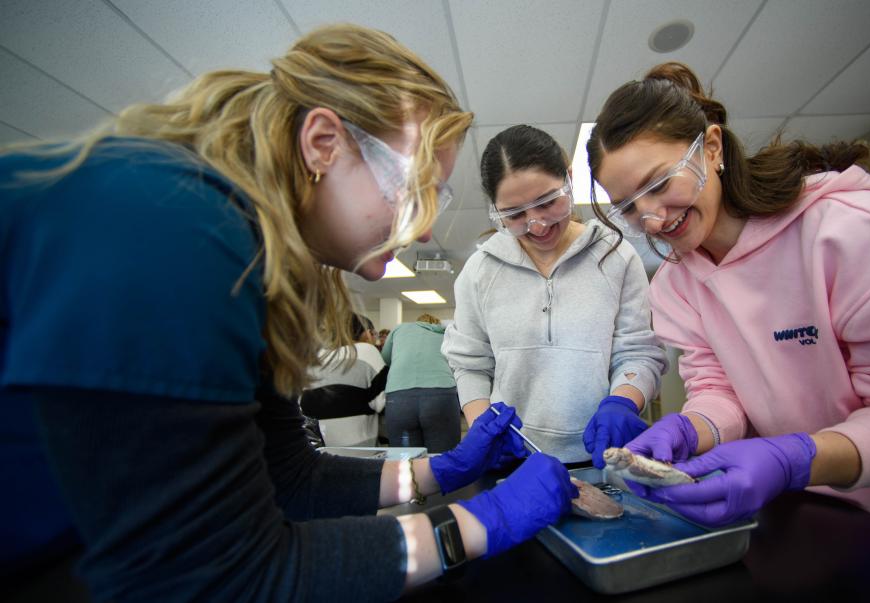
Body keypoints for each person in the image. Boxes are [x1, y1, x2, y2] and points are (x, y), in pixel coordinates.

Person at [0, 24, 577, 601]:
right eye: (416, 188)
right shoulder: (176, 228)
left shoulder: (243, 252)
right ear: (323, 143)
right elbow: (221, 577)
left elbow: (292, 480)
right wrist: (478, 525)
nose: (426, 227)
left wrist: (438, 471)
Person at [585, 62, 870, 533]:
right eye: (629, 206)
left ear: (711, 148)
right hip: (843, 509)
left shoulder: (850, 235)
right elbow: (720, 389)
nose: (651, 219)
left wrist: (796, 457)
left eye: (658, 184)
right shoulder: (678, 285)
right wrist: (694, 426)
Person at [443, 125, 667, 465]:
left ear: (569, 179)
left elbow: (638, 353)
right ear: (496, 210)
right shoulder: (479, 271)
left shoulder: (616, 256)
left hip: (600, 452)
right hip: (513, 454)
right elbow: (469, 363)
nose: (537, 225)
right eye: (515, 215)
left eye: (548, 202)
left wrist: (624, 401)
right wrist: (481, 427)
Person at [302, 314, 387, 447]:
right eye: (374, 334)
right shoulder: (366, 350)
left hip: (316, 448)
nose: (375, 340)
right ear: (366, 332)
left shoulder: (314, 358)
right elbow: (383, 403)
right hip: (358, 450)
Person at [381, 313, 461, 452]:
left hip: (399, 397)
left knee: (405, 460)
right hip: (441, 395)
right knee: (444, 457)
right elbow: (458, 362)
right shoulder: (446, 333)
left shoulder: (400, 329)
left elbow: (386, 358)